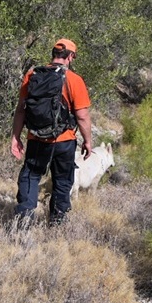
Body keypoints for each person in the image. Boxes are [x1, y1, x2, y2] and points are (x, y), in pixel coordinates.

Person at [10, 38, 93, 225]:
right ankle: (57, 221)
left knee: (30, 175)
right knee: (62, 181)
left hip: (37, 138)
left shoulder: (32, 75)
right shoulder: (74, 80)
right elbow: (82, 116)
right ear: (70, 56)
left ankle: (24, 218)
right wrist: (87, 141)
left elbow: (21, 110)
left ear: (54, 54)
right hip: (64, 141)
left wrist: (15, 137)